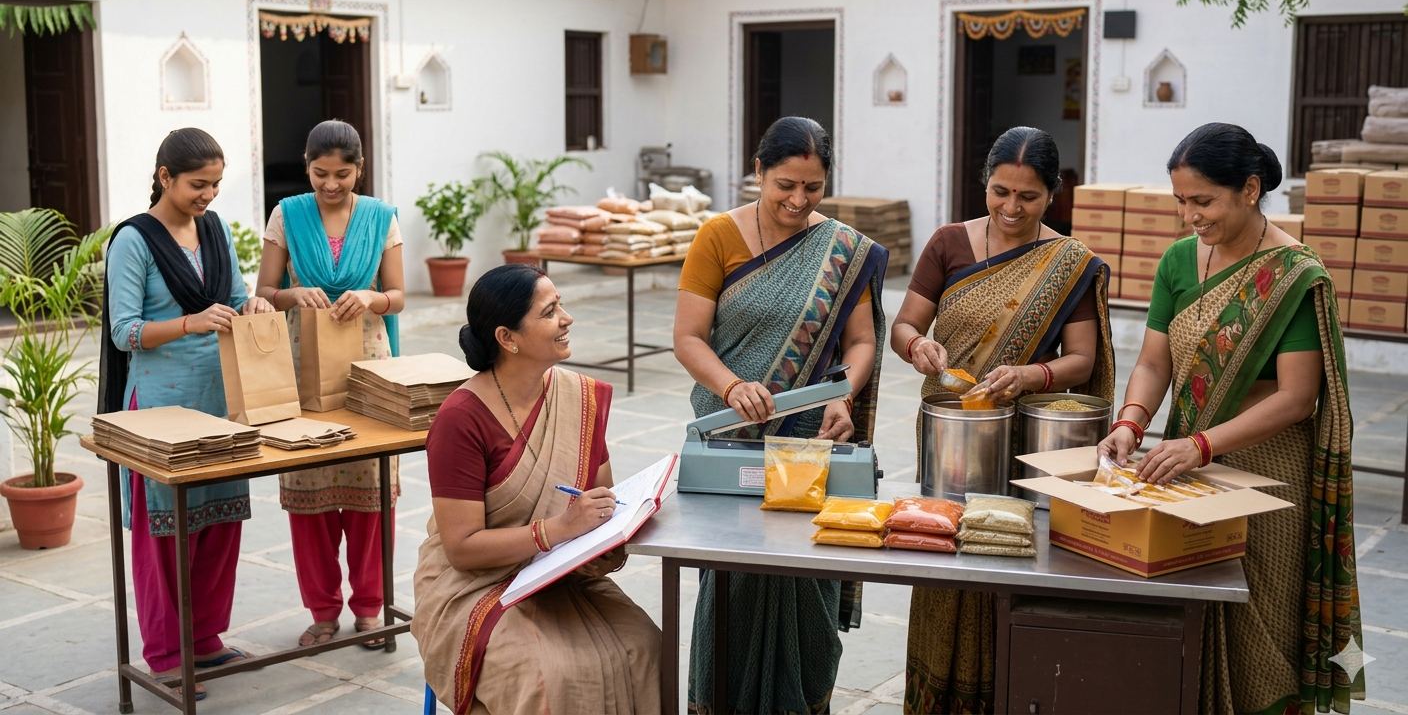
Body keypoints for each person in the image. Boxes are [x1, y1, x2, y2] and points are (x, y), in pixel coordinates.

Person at [1097, 122, 1363, 714]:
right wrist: (1131, 423)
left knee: (1258, 623)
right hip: (1186, 467)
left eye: (1203, 201)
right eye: (1181, 201)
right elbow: (1154, 362)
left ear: (1249, 189)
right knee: (1191, 611)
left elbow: (1296, 398)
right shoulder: (1178, 261)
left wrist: (1201, 444)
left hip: (1267, 475)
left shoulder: (1293, 274)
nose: (1190, 216)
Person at [890, 126, 1115, 713]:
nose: (1011, 208)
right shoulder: (948, 243)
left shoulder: (1068, 263)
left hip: (1026, 440)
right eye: (1000, 192)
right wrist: (918, 346)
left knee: (1017, 555)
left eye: (1029, 196)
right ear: (984, 184)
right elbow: (904, 324)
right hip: (952, 431)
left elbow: (1082, 360)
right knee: (945, 548)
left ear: (1053, 195)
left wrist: (1028, 375)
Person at [673, 116, 889, 714]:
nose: (798, 200)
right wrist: (731, 385)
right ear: (759, 172)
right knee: (733, 585)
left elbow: (862, 342)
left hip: (808, 442)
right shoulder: (718, 236)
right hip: (733, 437)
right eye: (785, 185)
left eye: (812, 188)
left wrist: (842, 395)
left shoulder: (843, 251)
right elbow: (688, 338)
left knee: (809, 584)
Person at [412, 264, 661, 714]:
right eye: (549, 312)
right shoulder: (460, 419)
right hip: (475, 586)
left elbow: (600, 502)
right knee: (548, 675)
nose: (567, 318)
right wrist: (558, 529)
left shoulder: (578, 397)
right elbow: (462, 549)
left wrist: (609, 538)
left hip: (558, 574)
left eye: (560, 305)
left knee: (646, 648)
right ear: (507, 338)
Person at [99, 128, 275, 699]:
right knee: (164, 532)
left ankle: (204, 639)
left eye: (216, 184)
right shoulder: (133, 241)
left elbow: (236, 296)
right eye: (199, 184)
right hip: (159, 406)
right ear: (164, 177)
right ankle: (166, 653)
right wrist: (190, 323)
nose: (209, 195)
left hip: (219, 400)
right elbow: (124, 332)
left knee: (219, 522)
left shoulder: (214, 228)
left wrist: (254, 303)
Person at [255, 119, 406, 648]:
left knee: (371, 490)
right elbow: (264, 292)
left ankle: (370, 608)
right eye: (320, 173)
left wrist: (370, 298)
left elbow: (398, 296)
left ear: (359, 169)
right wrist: (293, 295)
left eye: (342, 174)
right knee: (308, 489)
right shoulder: (287, 214)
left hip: (368, 367)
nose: (331, 184)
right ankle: (322, 611)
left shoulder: (382, 217)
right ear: (307, 166)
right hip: (303, 366)